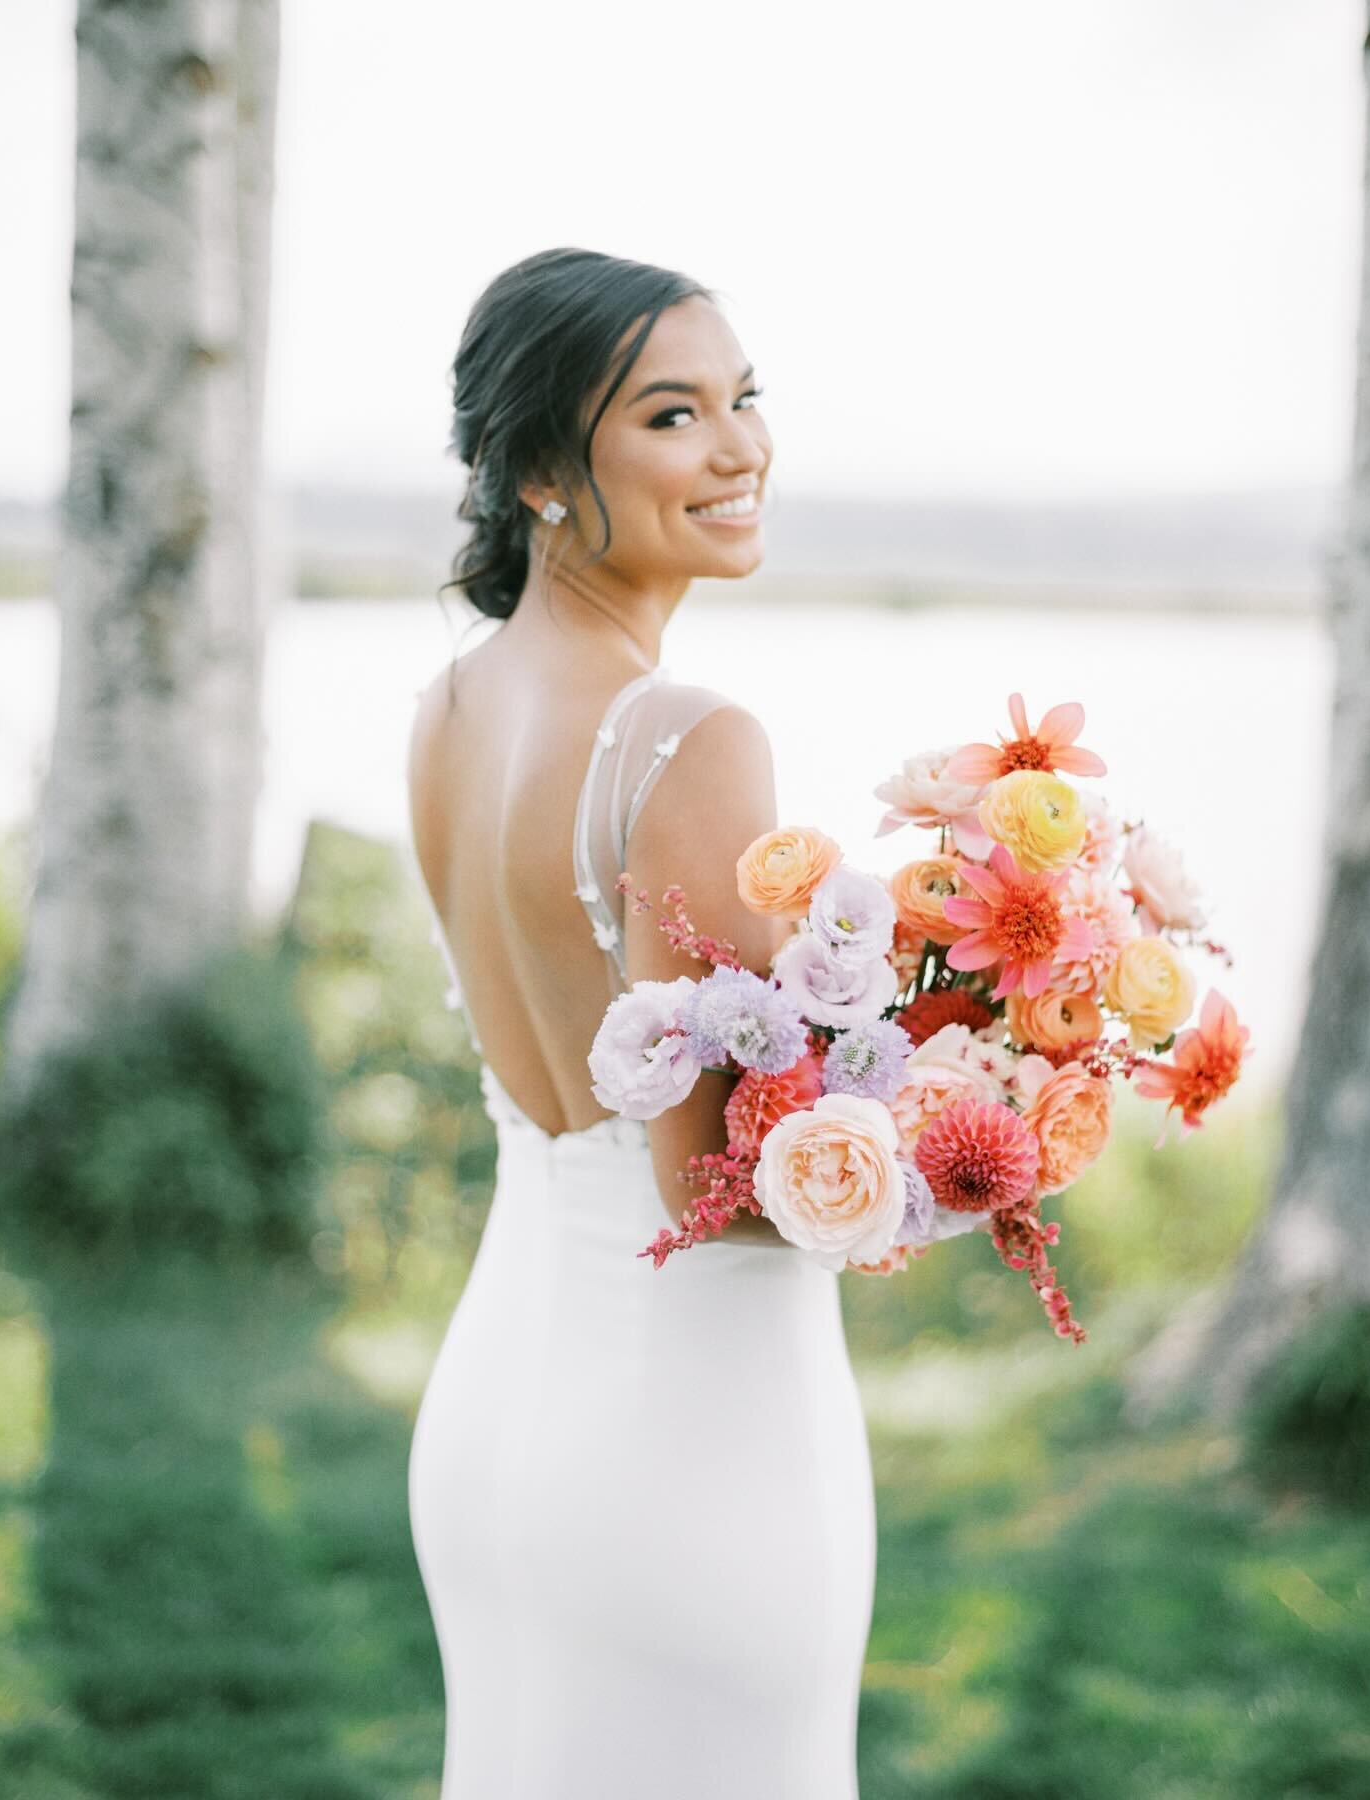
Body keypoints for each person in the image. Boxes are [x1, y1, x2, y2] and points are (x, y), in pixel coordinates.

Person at [406, 247, 876, 1798]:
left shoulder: (455, 708)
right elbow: (721, 1194)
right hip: (699, 1461)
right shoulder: (688, 740)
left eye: (745, 400)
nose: (739, 449)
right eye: (674, 415)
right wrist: (975, 1119)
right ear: (541, 466)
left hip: (494, 1423)